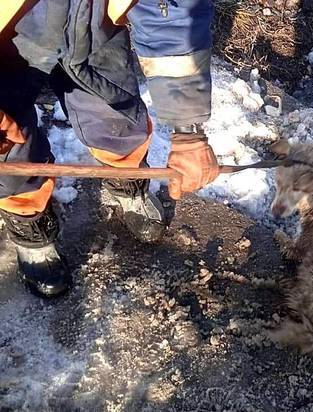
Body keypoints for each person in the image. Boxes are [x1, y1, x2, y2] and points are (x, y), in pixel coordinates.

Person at [0, 0, 220, 298]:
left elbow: (173, 12)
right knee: (8, 154)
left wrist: (187, 128)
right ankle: (27, 220)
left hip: (89, 24)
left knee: (116, 120)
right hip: (6, 42)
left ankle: (128, 184)